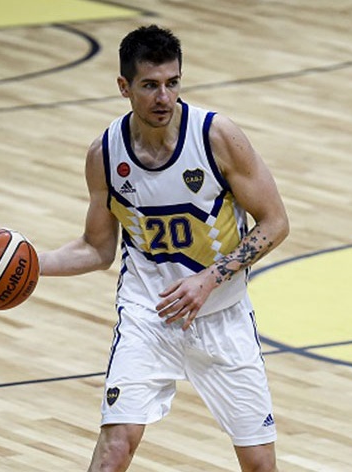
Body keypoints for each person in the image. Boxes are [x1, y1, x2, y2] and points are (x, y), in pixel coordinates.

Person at [38, 25, 288, 472]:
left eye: (172, 83)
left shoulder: (217, 137)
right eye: (150, 85)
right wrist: (30, 263)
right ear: (124, 87)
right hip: (147, 316)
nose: (164, 98)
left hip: (222, 316)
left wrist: (208, 281)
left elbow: (275, 223)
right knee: (115, 449)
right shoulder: (105, 153)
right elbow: (97, 248)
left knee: (259, 465)